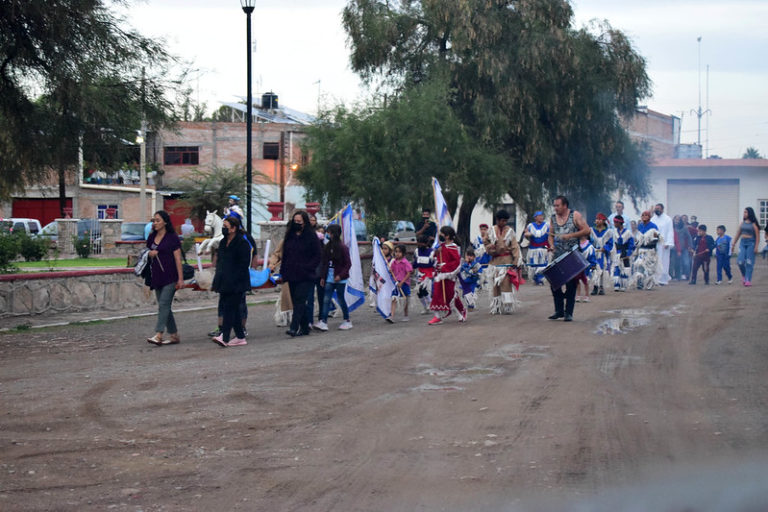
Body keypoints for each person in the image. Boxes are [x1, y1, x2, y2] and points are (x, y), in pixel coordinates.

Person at [210, 216, 251, 347]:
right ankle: (240, 336)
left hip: (237, 283)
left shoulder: (242, 243)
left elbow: (244, 265)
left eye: (226, 226)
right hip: (224, 281)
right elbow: (220, 263)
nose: (223, 229)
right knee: (233, 309)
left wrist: (234, 279)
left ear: (233, 229)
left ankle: (225, 336)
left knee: (229, 308)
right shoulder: (222, 242)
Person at [547, 196, 590, 321]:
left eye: (557, 206)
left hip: (572, 254)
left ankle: (568, 312)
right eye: (554, 206)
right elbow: (550, 234)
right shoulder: (553, 218)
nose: (555, 208)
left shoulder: (575, 215)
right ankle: (559, 310)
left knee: (571, 284)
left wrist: (571, 235)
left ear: (564, 205)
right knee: (554, 283)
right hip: (558, 254)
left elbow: (587, 230)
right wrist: (551, 245)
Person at [145, 210, 184, 346]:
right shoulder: (152, 237)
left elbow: (178, 259)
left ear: (165, 222)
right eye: (154, 220)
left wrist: (180, 278)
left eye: (158, 220)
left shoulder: (172, 237)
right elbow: (146, 251)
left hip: (170, 276)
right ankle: (174, 335)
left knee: (163, 304)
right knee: (165, 306)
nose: (155, 223)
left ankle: (159, 334)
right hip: (156, 275)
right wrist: (150, 253)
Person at [281, 210, 322, 336]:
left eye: (299, 221)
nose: (297, 223)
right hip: (291, 273)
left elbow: (318, 255)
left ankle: (294, 326)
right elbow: (286, 254)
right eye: (295, 221)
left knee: (300, 299)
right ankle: (305, 328)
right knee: (297, 301)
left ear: (305, 223)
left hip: (306, 275)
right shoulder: (290, 236)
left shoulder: (311, 236)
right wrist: (283, 271)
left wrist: (309, 267)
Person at [313, 223, 353, 331]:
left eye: (329, 233)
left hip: (340, 278)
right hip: (329, 277)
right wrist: (323, 277)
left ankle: (347, 320)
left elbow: (348, 264)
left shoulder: (343, 248)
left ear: (334, 234)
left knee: (340, 299)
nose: (327, 235)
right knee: (326, 299)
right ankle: (323, 321)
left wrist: (340, 275)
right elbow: (325, 263)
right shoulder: (327, 247)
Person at [483, 209, 522, 314]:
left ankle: (508, 306)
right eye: (502, 221)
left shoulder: (510, 231)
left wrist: (515, 260)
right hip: (495, 261)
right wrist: (489, 247)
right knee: (495, 285)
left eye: (505, 221)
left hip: (506, 261)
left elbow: (515, 247)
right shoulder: (491, 231)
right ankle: (496, 306)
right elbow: (485, 243)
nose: (504, 223)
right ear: (497, 220)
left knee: (506, 283)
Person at [428, 226, 466, 325]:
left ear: (447, 236)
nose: (440, 236)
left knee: (450, 296)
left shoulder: (453, 247)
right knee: (436, 295)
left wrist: (445, 268)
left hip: (449, 275)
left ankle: (460, 312)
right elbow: (435, 258)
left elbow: (456, 262)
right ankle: (437, 317)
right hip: (439, 275)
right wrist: (436, 252)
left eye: (442, 234)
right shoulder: (441, 246)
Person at [731, 206, 761, 287]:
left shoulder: (754, 225)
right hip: (743, 243)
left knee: (749, 262)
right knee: (740, 261)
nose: (744, 214)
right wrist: (733, 243)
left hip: (751, 243)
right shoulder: (742, 223)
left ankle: (748, 280)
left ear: (749, 213)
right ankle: (744, 275)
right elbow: (738, 234)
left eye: (746, 212)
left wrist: (756, 247)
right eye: (744, 212)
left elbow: (758, 237)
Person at [634, 211, 662, 290]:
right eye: (642, 215)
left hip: (650, 250)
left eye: (646, 215)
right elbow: (637, 238)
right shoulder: (640, 226)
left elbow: (657, 238)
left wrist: (652, 240)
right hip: (642, 250)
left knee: (650, 268)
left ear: (649, 217)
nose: (644, 217)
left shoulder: (653, 226)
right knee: (640, 266)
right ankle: (640, 283)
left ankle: (650, 284)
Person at [387, 244, 413, 322]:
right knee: (394, 298)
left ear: (403, 253)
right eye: (396, 252)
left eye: (399, 252)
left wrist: (402, 282)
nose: (397, 253)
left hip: (404, 283)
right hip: (396, 283)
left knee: (405, 299)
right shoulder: (393, 262)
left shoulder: (405, 262)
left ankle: (406, 314)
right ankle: (391, 316)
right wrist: (390, 271)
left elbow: (409, 273)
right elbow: (391, 270)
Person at [523, 211, 550, 286]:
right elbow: (525, 235)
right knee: (533, 265)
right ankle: (535, 278)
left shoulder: (547, 225)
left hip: (543, 249)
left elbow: (550, 237)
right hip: (533, 249)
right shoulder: (530, 226)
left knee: (542, 265)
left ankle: (540, 279)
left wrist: (551, 246)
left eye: (542, 215)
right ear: (535, 217)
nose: (541, 217)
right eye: (539, 216)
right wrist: (527, 235)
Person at [590, 213, 613, 295]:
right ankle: (595, 286)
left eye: (599, 219)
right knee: (594, 269)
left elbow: (610, 243)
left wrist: (605, 248)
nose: (597, 220)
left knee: (602, 270)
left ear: (603, 221)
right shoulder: (592, 230)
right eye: (596, 219)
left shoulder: (608, 232)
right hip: (595, 253)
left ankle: (601, 287)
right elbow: (589, 242)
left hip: (603, 254)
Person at [611, 215, 635, 292]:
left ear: (620, 223)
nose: (614, 224)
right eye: (614, 222)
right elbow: (613, 243)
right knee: (617, 267)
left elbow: (631, 244)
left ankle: (623, 284)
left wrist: (629, 253)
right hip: (617, 252)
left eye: (615, 222)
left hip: (625, 252)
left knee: (624, 268)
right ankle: (617, 284)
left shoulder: (628, 233)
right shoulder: (614, 232)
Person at [413, 235, 436, 313]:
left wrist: (420, 261)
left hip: (429, 274)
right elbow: (415, 263)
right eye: (418, 243)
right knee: (419, 292)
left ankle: (430, 302)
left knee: (424, 289)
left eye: (421, 243)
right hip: (420, 273)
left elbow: (430, 263)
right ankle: (425, 307)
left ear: (426, 243)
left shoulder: (432, 252)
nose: (419, 245)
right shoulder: (417, 251)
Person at [653, 203, 674, 285]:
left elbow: (670, 232)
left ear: (662, 209)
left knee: (663, 261)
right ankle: (655, 279)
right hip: (655, 244)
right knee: (655, 261)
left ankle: (663, 279)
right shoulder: (653, 219)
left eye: (658, 208)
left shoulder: (667, 219)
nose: (656, 210)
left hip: (663, 245)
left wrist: (668, 242)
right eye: (656, 208)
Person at [576, 236, 597, 303]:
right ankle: (578, 295)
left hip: (586, 266)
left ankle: (587, 295)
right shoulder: (576, 244)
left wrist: (593, 264)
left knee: (586, 281)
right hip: (578, 265)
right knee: (577, 281)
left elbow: (592, 255)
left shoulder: (590, 246)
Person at [673, 215, 693, 281]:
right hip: (675, 248)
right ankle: (677, 276)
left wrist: (690, 246)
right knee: (677, 263)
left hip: (684, 248)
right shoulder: (671, 227)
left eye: (678, 219)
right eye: (676, 219)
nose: (677, 221)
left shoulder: (684, 228)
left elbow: (689, 237)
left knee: (686, 263)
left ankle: (686, 275)